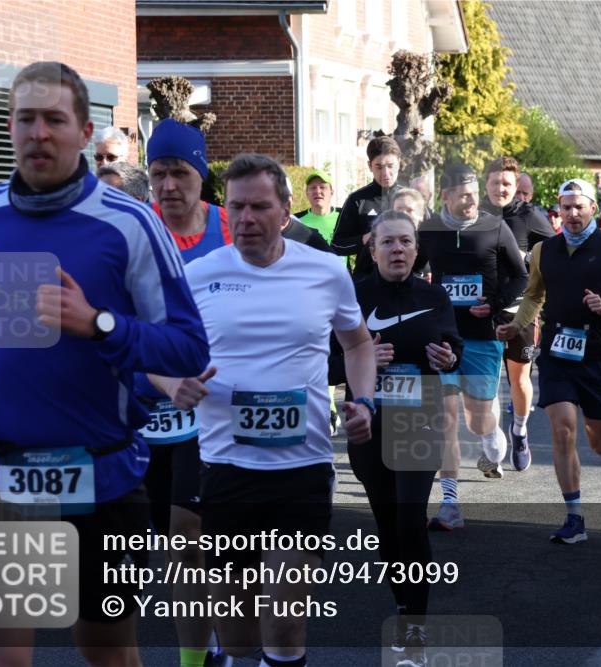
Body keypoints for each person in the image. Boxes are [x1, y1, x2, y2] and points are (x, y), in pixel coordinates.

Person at [0, 61, 210, 666]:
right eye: (25, 119)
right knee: (3, 658)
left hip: (101, 474)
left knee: (104, 650)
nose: (38, 133)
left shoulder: (132, 224)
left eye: (55, 119)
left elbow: (187, 348)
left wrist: (98, 324)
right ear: (10, 128)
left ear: (84, 132)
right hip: (0, 472)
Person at [153, 153, 375, 667]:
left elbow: (359, 345)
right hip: (225, 467)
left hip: (303, 466)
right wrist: (172, 385)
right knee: (237, 630)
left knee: (283, 611)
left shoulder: (324, 272)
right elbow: (150, 354)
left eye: (259, 206)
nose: (246, 219)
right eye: (236, 208)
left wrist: (360, 399)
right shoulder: (199, 274)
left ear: (285, 210)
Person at [329, 210, 462, 667]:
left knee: (409, 518)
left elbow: (453, 346)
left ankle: (415, 627)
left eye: (405, 241)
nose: (398, 250)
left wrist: (447, 357)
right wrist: (368, 361)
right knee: (387, 525)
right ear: (373, 249)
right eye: (388, 243)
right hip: (368, 421)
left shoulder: (434, 294)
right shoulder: (354, 295)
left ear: (416, 248)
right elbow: (329, 363)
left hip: (418, 417)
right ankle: (404, 605)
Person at [497, 178, 601, 543]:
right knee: (562, 430)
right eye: (566, 207)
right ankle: (574, 517)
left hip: (596, 356)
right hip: (557, 354)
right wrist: (516, 325)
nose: (573, 214)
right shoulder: (545, 251)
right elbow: (533, 296)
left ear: (593, 208)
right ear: (558, 211)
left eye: (579, 206)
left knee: (599, 441)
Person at [143, 118, 232, 667]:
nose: (169, 184)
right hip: (146, 404)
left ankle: (195, 658)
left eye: (180, 172)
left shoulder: (230, 227)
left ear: (201, 176)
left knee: (190, 533)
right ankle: (204, 644)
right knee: (175, 547)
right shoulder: (135, 230)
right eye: (159, 173)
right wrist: (164, 381)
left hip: (216, 409)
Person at [419, 164, 526, 529]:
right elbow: (414, 272)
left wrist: (494, 305)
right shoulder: (430, 230)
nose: (471, 200)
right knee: (445, 419)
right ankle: (450, 503)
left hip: (482, 336)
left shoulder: (495, 227)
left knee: (478, 419)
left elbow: (521, 277)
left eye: (474, 193)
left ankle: (493, 437)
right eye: (463, 194)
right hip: (443, 337)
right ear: (445, 196)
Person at [479, 156, 555, 471]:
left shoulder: (530, 216)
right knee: (485, 383)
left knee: (519, 379)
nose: (501, 188)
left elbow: (555, 252)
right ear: (486, 184)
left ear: (516, 186)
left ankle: (520, 430)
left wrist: (529, 259)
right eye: (495, 183)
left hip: (519, 311)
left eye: (507, 184)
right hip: (482, 309)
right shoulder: (475, 213)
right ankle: (491, 443)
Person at [331, 135, 407, 277]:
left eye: (390, 166)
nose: (385, 173)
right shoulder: (357, 200)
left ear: (399, 163)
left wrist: (426, 269)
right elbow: (337, 246)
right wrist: (364, 239)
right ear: (369, 166)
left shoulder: (411, 199)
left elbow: (427, 240)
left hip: (406, 281)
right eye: (379, 167)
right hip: (367, 281)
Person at [294, 169, 340, 242]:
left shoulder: (344, 217)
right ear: (307, 193)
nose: (318, 192)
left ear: (331, 192)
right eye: (313, 188)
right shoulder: (296, 221)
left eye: (322, 187)